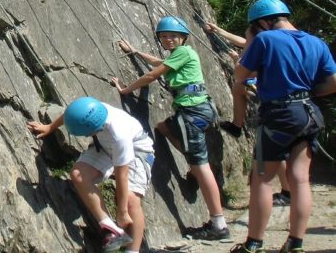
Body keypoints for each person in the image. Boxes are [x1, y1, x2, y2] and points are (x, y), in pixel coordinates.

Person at [230, 0, 336, 253]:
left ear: (262, 23)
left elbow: (240, 76)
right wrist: (306, 93)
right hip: (309, 113)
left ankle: (253, 243)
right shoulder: (316, 42)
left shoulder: (266, 40)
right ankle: (295, 243)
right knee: (300, 179)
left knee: (263, 179)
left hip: (279, 114)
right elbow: (333, 82)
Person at [113, 16, 229, 241]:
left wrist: (126, 90)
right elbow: (159, 63)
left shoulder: (184, 53)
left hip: (192, 112)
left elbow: (153, 74)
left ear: (183, 37)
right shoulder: (180, 54)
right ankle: (196, 166)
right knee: (163, 127)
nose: (168, 40)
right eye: (164, 36)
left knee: (200, 164)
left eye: (173, 36)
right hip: (196, 110)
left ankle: (219, 224)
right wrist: (135, 51)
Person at [27, 97, 155, 253]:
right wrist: (50, 127)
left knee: (131, 199)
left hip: (137, 149)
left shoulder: (119, 135)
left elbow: (122, 176)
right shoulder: (88, 108)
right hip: (105, 145)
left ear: (92, 129)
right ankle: (111, 228)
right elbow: (70, 114)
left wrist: (122, 212)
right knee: (78, 174)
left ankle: (133, 251)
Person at [205, 22, 292, 207]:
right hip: (286, 103)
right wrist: (220, 31)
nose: (246, 40)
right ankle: (236, 125)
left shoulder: (261, 49)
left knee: (275, 154)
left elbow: (241, 74)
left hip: (270, 101)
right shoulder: (267, 44)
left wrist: (237, 60)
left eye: (249, 36)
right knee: (281, 153)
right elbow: (244, 42)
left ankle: (285, 192)